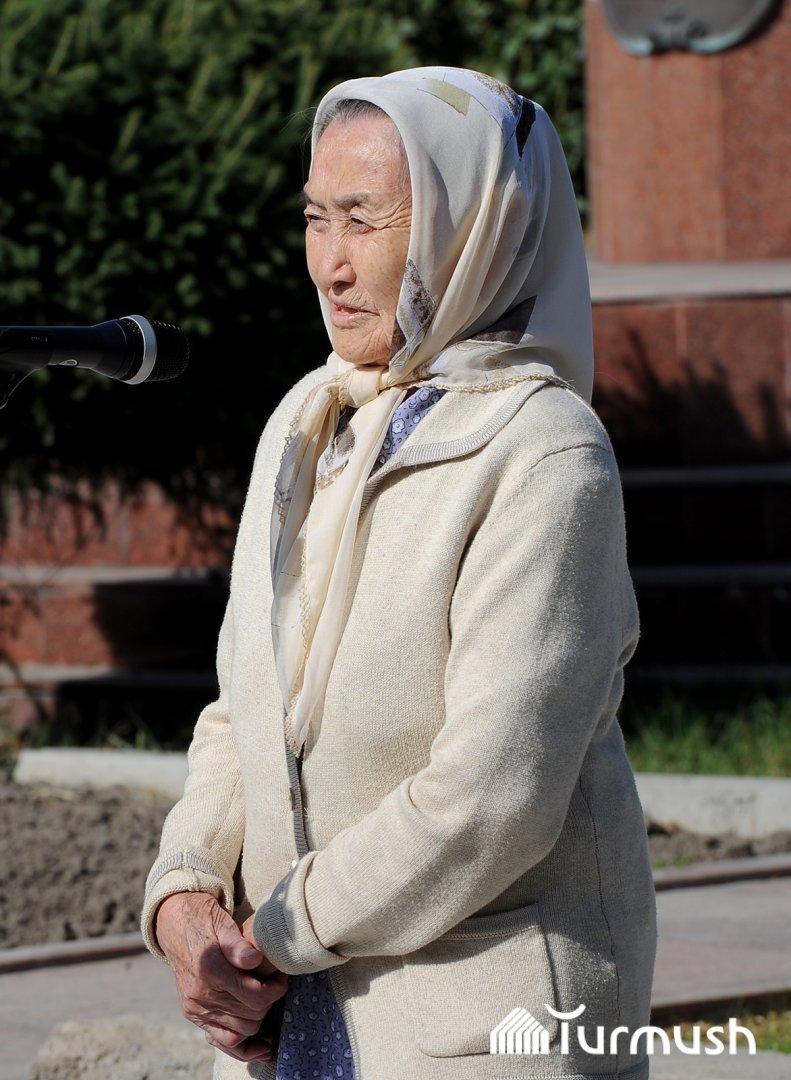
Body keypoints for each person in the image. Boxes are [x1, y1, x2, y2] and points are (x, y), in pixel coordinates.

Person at [141, 65, 657, 1080]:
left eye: (364, 220)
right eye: (314, 217)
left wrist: (274, 933)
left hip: (481, 1025)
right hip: (288, 1013)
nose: (329, 264)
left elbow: (493, 795)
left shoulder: (545, 452)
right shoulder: (307, 420)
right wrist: (185, 894)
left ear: (473, 228)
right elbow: (244, 708)